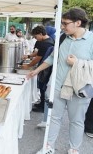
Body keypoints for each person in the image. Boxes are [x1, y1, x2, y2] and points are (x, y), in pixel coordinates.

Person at [27, 8, 93, 154]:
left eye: (65, 23)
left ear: (78, 23)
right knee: (54, 117)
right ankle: (49, 146)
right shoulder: (63, 37)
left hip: (80, 89)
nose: (62, 26)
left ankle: (74, 149)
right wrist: (36, 70)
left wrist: (77, 62)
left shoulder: (91, 39)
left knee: (76, 121)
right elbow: (52, 58)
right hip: (58, 86)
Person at [22, 26, 54, 113]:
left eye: (36, 37)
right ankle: (42, 104)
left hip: (45, 68)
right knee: (42, 86)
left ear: (40, 34)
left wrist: (28, 66)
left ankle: (42, 107)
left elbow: (38, 58)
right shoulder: (48, 40)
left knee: (43, 86)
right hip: (45, 67)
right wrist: (29, 56)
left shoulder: (45, 44)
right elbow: (37, 53)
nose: (35, 39)